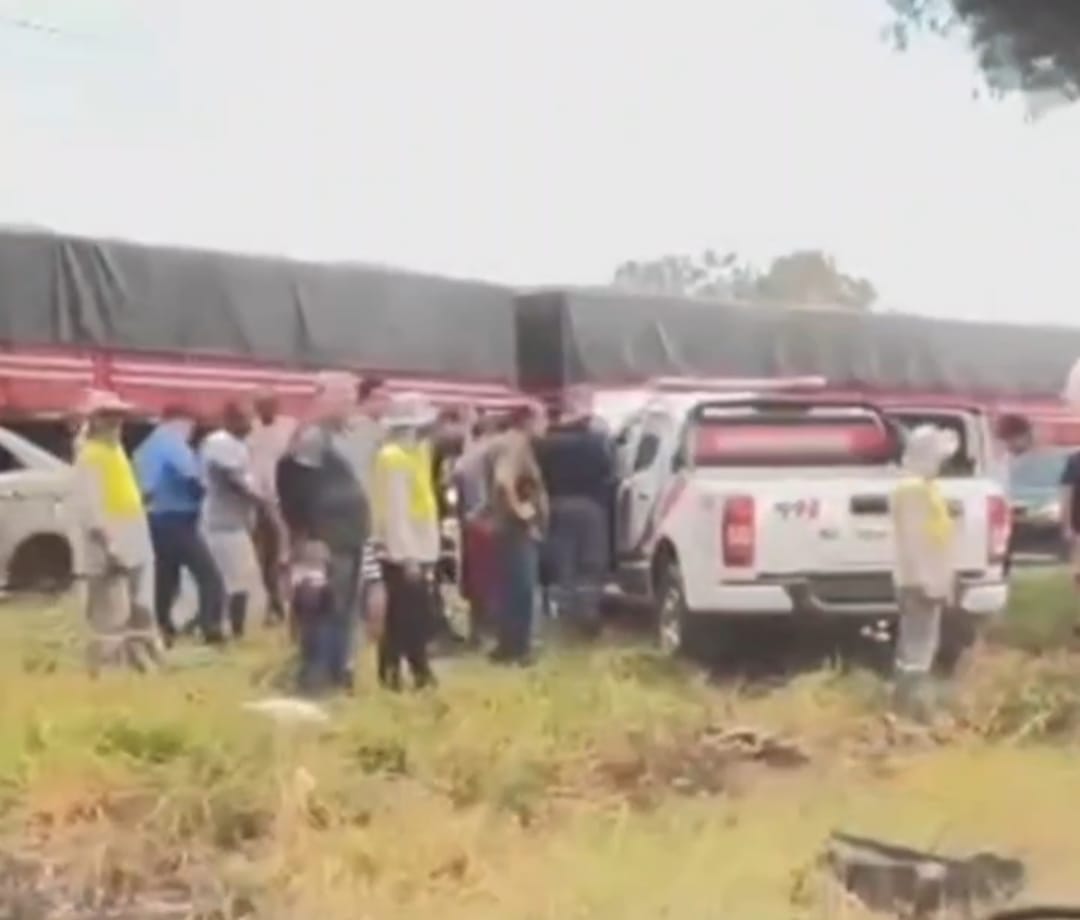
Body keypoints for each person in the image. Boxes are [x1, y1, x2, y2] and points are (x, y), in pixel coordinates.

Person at [283, 372, 376, 694]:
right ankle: (316, 676)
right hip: (324, 539)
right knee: (321, 606)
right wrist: (309, 536)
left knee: (344, 611)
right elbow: (294, 487)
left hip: (348, 537)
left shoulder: (340, 438)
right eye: (346, 397)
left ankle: (339, 672)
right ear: (327, 398)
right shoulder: (311, 439)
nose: (351, 404)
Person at [71, 389, 164, 675]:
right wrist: (110, 548)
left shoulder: (115, 450)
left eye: (119, 416)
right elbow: (91, 512)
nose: (117, 422)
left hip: (134, 543)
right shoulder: (90, 456)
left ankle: (147, 667)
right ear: (95, 420)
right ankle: (106, 675)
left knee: (141, 612)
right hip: (110, 549)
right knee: (110, 619)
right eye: (109, 416)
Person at [134, 405, 225, 645]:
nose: (192, 433)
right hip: (178, 519)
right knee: (209, 577)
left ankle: (162, 628)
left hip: (153, 519)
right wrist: (201, 493)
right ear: (180, 422)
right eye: (191, 426)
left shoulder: (144, 448)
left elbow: (144, 487)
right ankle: (210, 627)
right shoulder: (173, 443)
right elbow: (191, 476)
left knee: (165, 577)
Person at [372, 393, 440, 690]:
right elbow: (394, 511)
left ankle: (404, 671)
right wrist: (408, 555)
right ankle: (405, 672)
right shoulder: (392, 458)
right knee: (405, 617)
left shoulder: (417, 453)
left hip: (420, 548)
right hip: (403, 553)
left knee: (410, 615)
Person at [890, 425, 958, 721]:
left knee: (918, 641)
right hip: (919, 579)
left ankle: (908, 703)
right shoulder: (914, 491)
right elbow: (916, 540)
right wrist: (932, 583)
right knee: (919, 644)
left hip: (920, 577)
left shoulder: (921, 488)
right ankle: (913, 707)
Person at [535, 402, 614, 637]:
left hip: (557, 506)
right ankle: (588, 616)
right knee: (590, 564)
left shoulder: (545, 446)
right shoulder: (595, 443)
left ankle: (564, 619)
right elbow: (608, 472)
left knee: (563, 564)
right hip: (590, 507)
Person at [489, 406, 549, 665]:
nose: (546, 424)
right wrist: (522, 511)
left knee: (511, 587)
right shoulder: (517, 444)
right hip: (516, 528)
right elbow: (504, 480)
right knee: (522, 589)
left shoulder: (509, 442)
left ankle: (507, 646)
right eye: (542, 418)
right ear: (528, 421)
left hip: (507, 527)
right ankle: (518, 649)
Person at [200, 401, 264, 639]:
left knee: (239, 577)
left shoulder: (239, 445)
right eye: (247, 419)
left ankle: (228, 626)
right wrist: (265, 502)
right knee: (233, 577)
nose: (251, 425)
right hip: (222, 523)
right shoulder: (220, 443)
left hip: (236, 522)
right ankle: (226, 627)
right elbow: (234, 480)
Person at [247, 390, 295, 624]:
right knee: (264, 556)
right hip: (256, 501)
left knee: (284, 556)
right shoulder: (250, 430)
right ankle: (271, 604)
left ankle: (284, 605)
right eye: (261, 407)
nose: (265, 412)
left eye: (270, 406)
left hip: (283, 500)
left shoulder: (288, 428)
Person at [454, 412, 501, 645]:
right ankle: (490, 632)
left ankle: (477, 631)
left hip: (469, 524)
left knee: (476, 581)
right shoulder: (489, 455)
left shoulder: (465, 458)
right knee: (493, 579)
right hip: (488, 522)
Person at [994, 414, 1033, 576]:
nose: (1029, 442)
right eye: (1026, 437)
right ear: (1014, 436)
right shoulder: (996, 459)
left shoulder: (1005, 459)